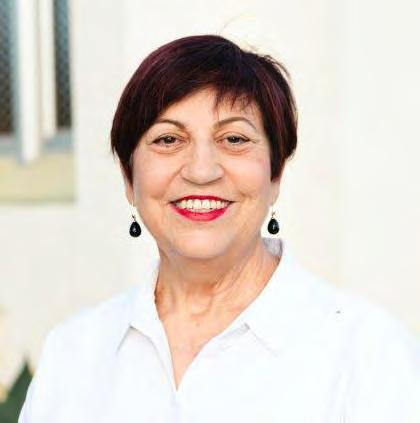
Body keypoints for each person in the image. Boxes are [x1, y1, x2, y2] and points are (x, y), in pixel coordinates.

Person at [19, 34, 420, 423]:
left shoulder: (367, 354)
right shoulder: (73, 354)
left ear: (275, 174)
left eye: (234, 138)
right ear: (129, 178)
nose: (201, 171)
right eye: (168, 139)